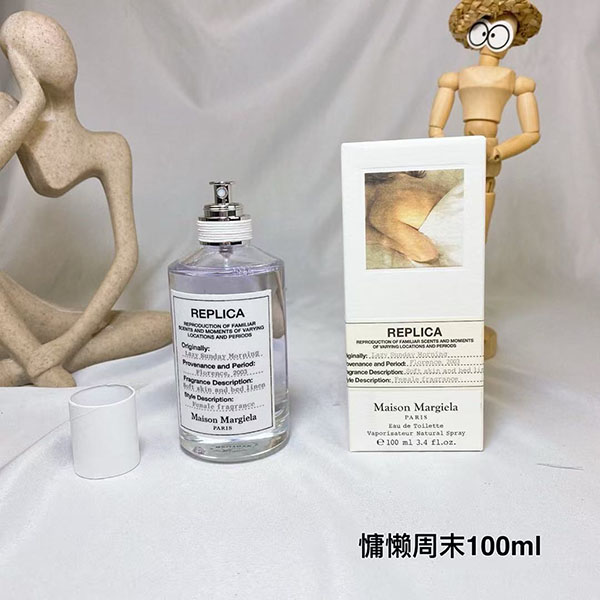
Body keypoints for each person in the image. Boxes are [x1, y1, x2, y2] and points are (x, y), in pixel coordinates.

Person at [0, 11, 171, 387]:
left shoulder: (109, 147)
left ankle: (24, 367)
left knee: (167, 324)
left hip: (55, 321)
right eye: (35, 43)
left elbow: (127, 256)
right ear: (18, 59)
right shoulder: (9, 112)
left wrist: (68, 343)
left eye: (56, 39)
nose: (58, 49)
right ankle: (34, 362)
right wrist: (31, 100)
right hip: (8, 305)